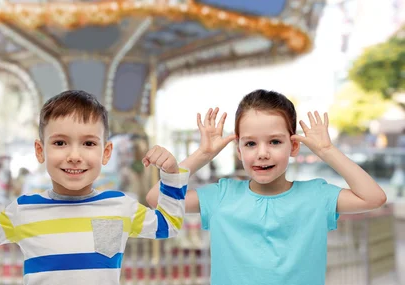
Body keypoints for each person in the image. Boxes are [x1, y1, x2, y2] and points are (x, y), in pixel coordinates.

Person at [146, 89, 387, 285]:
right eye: (250, 143)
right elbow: (157, 198)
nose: (262, 153)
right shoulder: (221, 196)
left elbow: (373, 198)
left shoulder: (317, 196)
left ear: (293, 146)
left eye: (275, 141)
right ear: (238, 150)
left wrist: (327, 151)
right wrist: (203, 153)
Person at [0, 90, 189, 285]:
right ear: (40, 151)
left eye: (88, 143)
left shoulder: (119, 206)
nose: (74, 156)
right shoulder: (24, 209)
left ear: (105, 153)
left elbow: (168, 225)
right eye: (60, 142)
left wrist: (170, 175)